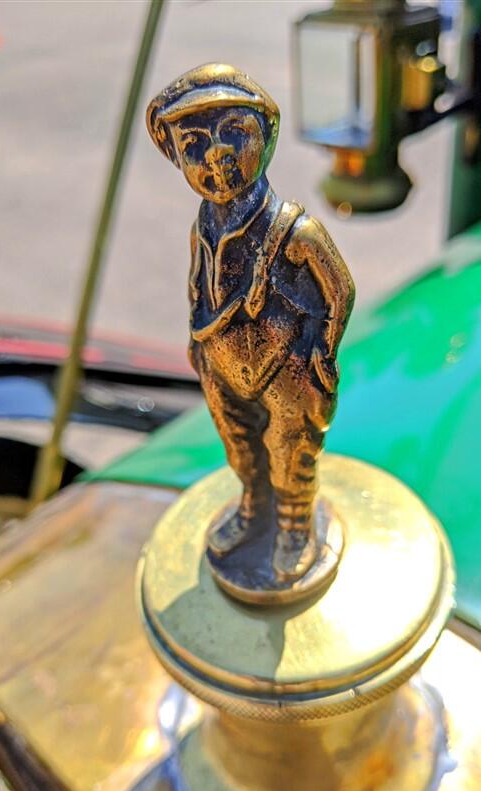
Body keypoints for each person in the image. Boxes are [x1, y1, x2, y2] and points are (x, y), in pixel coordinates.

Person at [147, 64, 354, 580]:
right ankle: (253, 508)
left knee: (291, 451)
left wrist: (322, 355)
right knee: (239, 444)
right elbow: (198, 286)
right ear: (174, 156)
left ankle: (293, 525)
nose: (215, 154)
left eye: (234, 132)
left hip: (287, 366)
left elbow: (340, 291)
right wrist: (198, 346)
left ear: (267, 137)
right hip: (219, 363)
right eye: (193, 142)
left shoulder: (295, 230)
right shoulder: (202, 229)